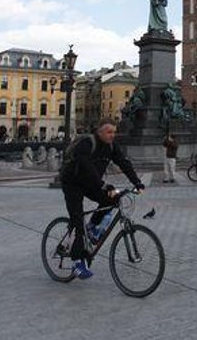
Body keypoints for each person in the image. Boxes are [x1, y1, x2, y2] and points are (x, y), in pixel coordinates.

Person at [60, 119, 145, 280]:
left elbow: (123, 163)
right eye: (109, 132)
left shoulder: (111, 146)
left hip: (91, 183)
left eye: (114, 132)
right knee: (78, 222)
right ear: (100, 132)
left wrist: (137, 182)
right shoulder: (87, 143)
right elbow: (85, 165)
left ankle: (91, 227)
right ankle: (77, 262)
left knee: (113, 199)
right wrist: (103, 184)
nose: (113, 135)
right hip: (73, 183)